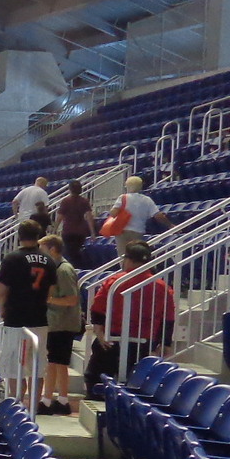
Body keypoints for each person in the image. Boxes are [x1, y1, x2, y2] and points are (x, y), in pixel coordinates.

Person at [88, 241, 177, 388]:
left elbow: (98, 307)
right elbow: (168, 317)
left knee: (96, 379)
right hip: (145, 341)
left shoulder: (115, 281)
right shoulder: (162, 286)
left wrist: (99, 332)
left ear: (128, 260)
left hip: (112, 338)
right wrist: (165, 342)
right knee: (137, 382)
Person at [0, 220, 55, 407]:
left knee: (15, 367)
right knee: (36, 366)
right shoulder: (49, 260)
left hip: (16, 319)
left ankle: (15, 404)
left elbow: (1, 290)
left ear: (19, 236)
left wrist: (2, 308)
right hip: (39, 318)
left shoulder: (13, 259)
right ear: (38, 236)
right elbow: (51, 292)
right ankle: (34, 407)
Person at [38, 235, 81, 415]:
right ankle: (52, 399)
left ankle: (57, 400)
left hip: (63, 323)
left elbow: (71, 299)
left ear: (52, 250)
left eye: (43, 250)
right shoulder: (55, 269)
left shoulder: (63, 270)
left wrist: (47, 299)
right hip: (56, 322)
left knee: (59, 362)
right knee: (55, 363)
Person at [106, 176, 173, 255]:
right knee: (135, 255)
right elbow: (157, 215)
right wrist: (170, 225)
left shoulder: (123, 197)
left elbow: (113, 213)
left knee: (124, 256)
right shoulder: (147, 199)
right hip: (138, 231)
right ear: (140, 186)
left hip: (122, 231)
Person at [57, 180, 95, 266]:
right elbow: (89, 216)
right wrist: (92, 232)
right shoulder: (84, 201)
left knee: (70, 253)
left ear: (70, 189)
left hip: (68, 231)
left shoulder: (65, 201)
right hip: (80, 232)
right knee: (76, 252)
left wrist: (55, 228)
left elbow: (60, 216)